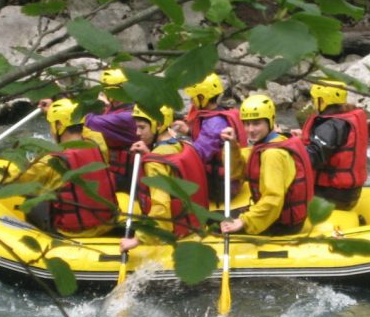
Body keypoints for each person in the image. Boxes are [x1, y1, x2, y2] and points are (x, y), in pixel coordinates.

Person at [0, 99, 117, 237]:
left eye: (52, 124)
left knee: (31, 202)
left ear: (59, 125)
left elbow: (8, 180)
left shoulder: (52, 162)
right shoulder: (97, 142)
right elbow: (86, 130)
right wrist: (55, 111)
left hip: (74, 232)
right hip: (108, 223)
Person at [220, 93, 314, 236]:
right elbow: (236, 171)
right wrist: (233, 145)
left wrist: (244, 221)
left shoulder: (273, 154)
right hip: (274, 216)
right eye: (247, 123)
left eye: (257, 123)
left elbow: (273, 199)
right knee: (215, 217)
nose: (250, 130)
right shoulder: (272, 142)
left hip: (279, 224)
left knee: (215, 227)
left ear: (270, 122)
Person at [119, 104, 209, 252]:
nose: (137, 132)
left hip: (174, 233)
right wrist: (149, 154)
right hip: (194, 226)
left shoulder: (155, 162)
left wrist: (138, 239)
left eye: (142, 127)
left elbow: (161, 206)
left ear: (159, 125)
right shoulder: (183, 144)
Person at [171, 72, 246, 203]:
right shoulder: (215, 113)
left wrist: (174, 139)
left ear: (203, 97)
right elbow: (208, 140)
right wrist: (188, 131)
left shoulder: (215, 123)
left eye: (194, 97)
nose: (192, 101)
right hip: (220, 179)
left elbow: (197, 155)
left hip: (221, 187)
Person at [298, 79, 368, 210]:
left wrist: (288, 147)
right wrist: (300, 139)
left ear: (322, 101)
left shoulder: (332, 125)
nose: (313, 103)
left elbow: (311, 158)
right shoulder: (344, 118)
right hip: (348, 194)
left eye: (314, 99)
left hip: (331, 196)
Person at [78, 68, 140, 190]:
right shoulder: (113, 107)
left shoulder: (128, 116)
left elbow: (90, 121)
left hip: (128, 174)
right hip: (114, 168)